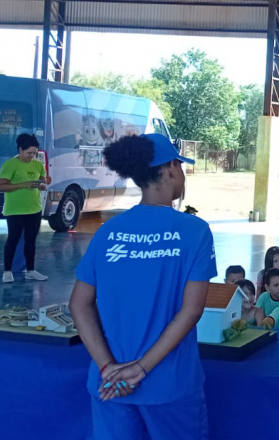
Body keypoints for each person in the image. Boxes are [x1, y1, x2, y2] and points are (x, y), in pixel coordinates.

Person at [68, 133, 214, 440]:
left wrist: (108, 368)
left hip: (110, 384)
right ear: (171, 167)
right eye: (181, 167)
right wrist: (142, 369)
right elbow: (192, 310)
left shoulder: (108, 231)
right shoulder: (194, 231)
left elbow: (78, 305)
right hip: (169, 385)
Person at [0, 133, 50, 283]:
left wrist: (41, 185)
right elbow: (0, 186)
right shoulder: (10, 165)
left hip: (34, 208)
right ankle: (7, 271)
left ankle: (31, 270)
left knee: (31, 240)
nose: (32, 156)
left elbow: (43, 182)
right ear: (20, 149)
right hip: (15, 210)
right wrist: (22, 185)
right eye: (29, 153)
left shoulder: (37, 165)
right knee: (13, 239)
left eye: (34, 153)